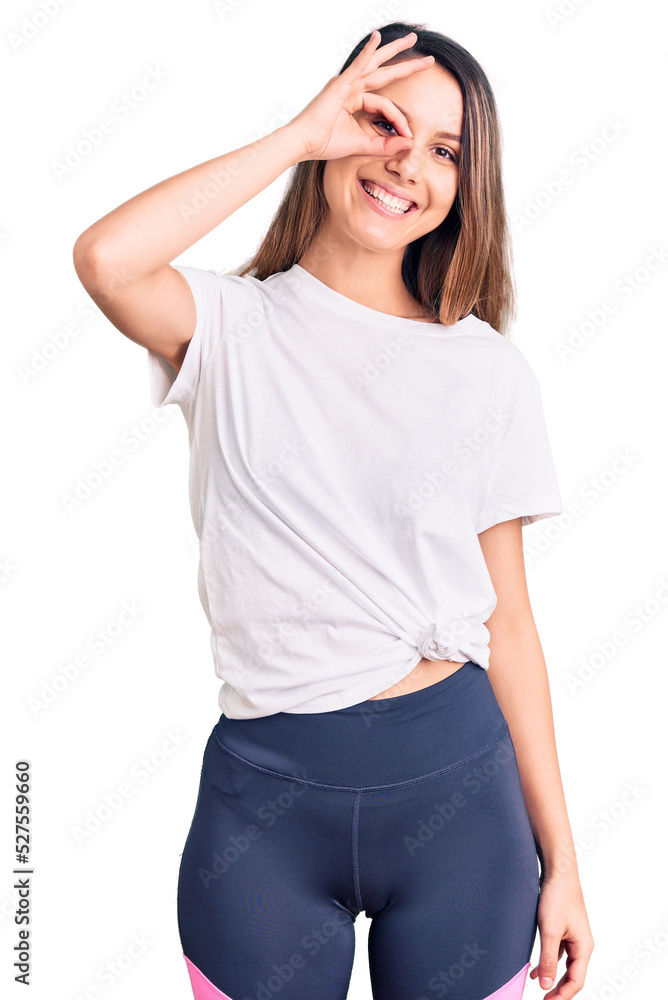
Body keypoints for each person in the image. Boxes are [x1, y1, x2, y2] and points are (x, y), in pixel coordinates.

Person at [72, 20, 594, 1000]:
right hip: (263, 814)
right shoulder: (226, 326)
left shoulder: (486, 371)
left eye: (445, 151)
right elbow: (105, 258)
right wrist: (299, 135)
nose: (406, 164)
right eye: (382, 124)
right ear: (335, 124)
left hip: (461, 804)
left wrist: (563, 859)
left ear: (466, 187)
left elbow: (512, 626)